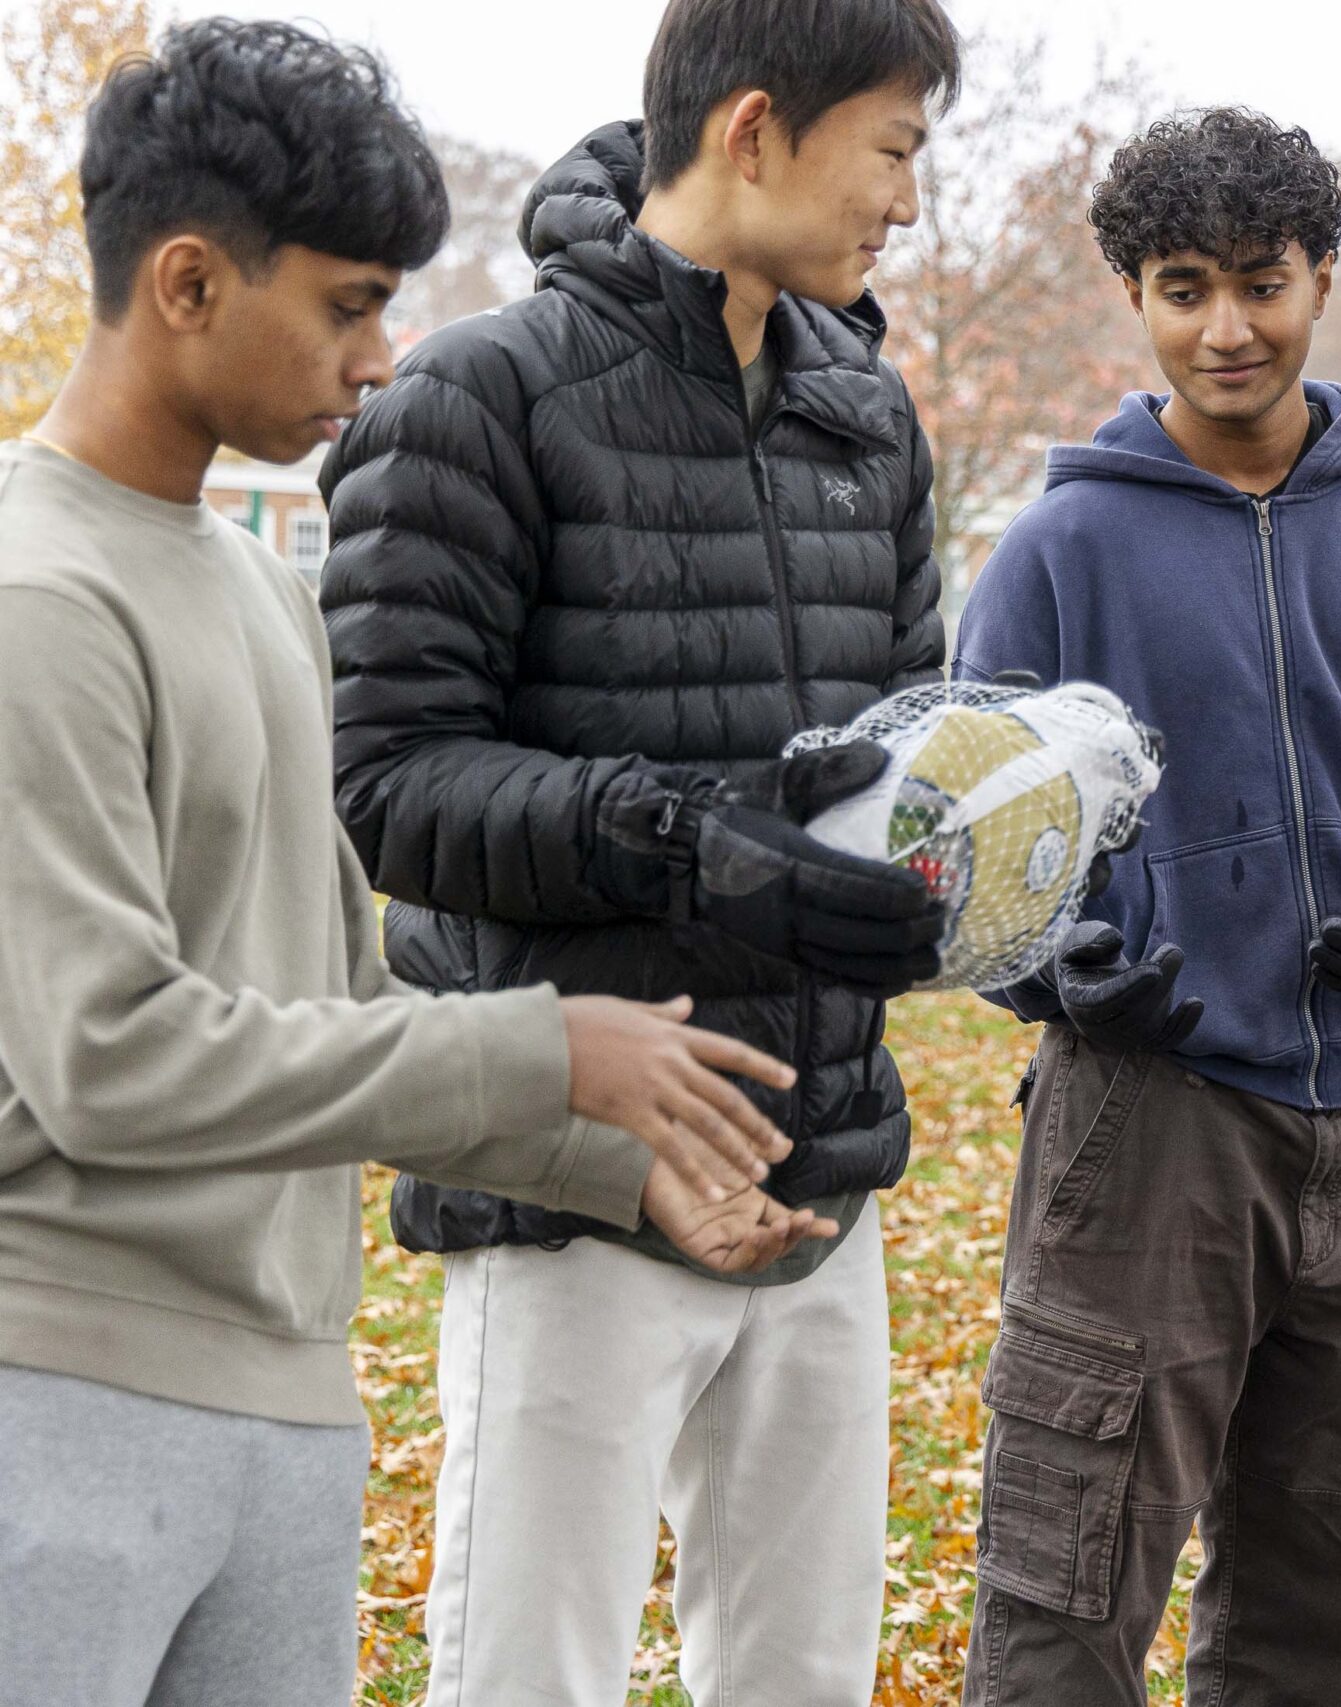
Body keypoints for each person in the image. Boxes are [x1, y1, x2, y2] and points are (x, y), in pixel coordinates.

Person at [0, 21, 832, 1706]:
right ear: (185, 282)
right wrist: (541, 1045)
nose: (380, 360)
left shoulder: (259, 589)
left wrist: (608, 1161)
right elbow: (106, 1053)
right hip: (58, 1396)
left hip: (291, 1402)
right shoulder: (38, 600)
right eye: (348, 304)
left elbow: (335, 1005)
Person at [315, 1, 960, 1699]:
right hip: (572, 1184)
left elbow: (912, 737)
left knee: (805, 1675)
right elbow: (391, 784)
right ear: (754, 128)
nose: (906, 200)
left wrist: (962, 856)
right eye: (892, 150)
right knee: (529, 1674)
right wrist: (685, 840)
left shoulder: (868, 411)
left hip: (823, 1176)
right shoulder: (479, 394)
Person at [947, 108, 1341, 1705]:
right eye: (1183, 288)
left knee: (1324, 1592)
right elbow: (973, 844)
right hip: (1143, 1120)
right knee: (1070, 1590)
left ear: (1322, 278)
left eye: (1261, 281)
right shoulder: (1062, 549)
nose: (1226, 325)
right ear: (1135, 296)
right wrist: (1058, 965)